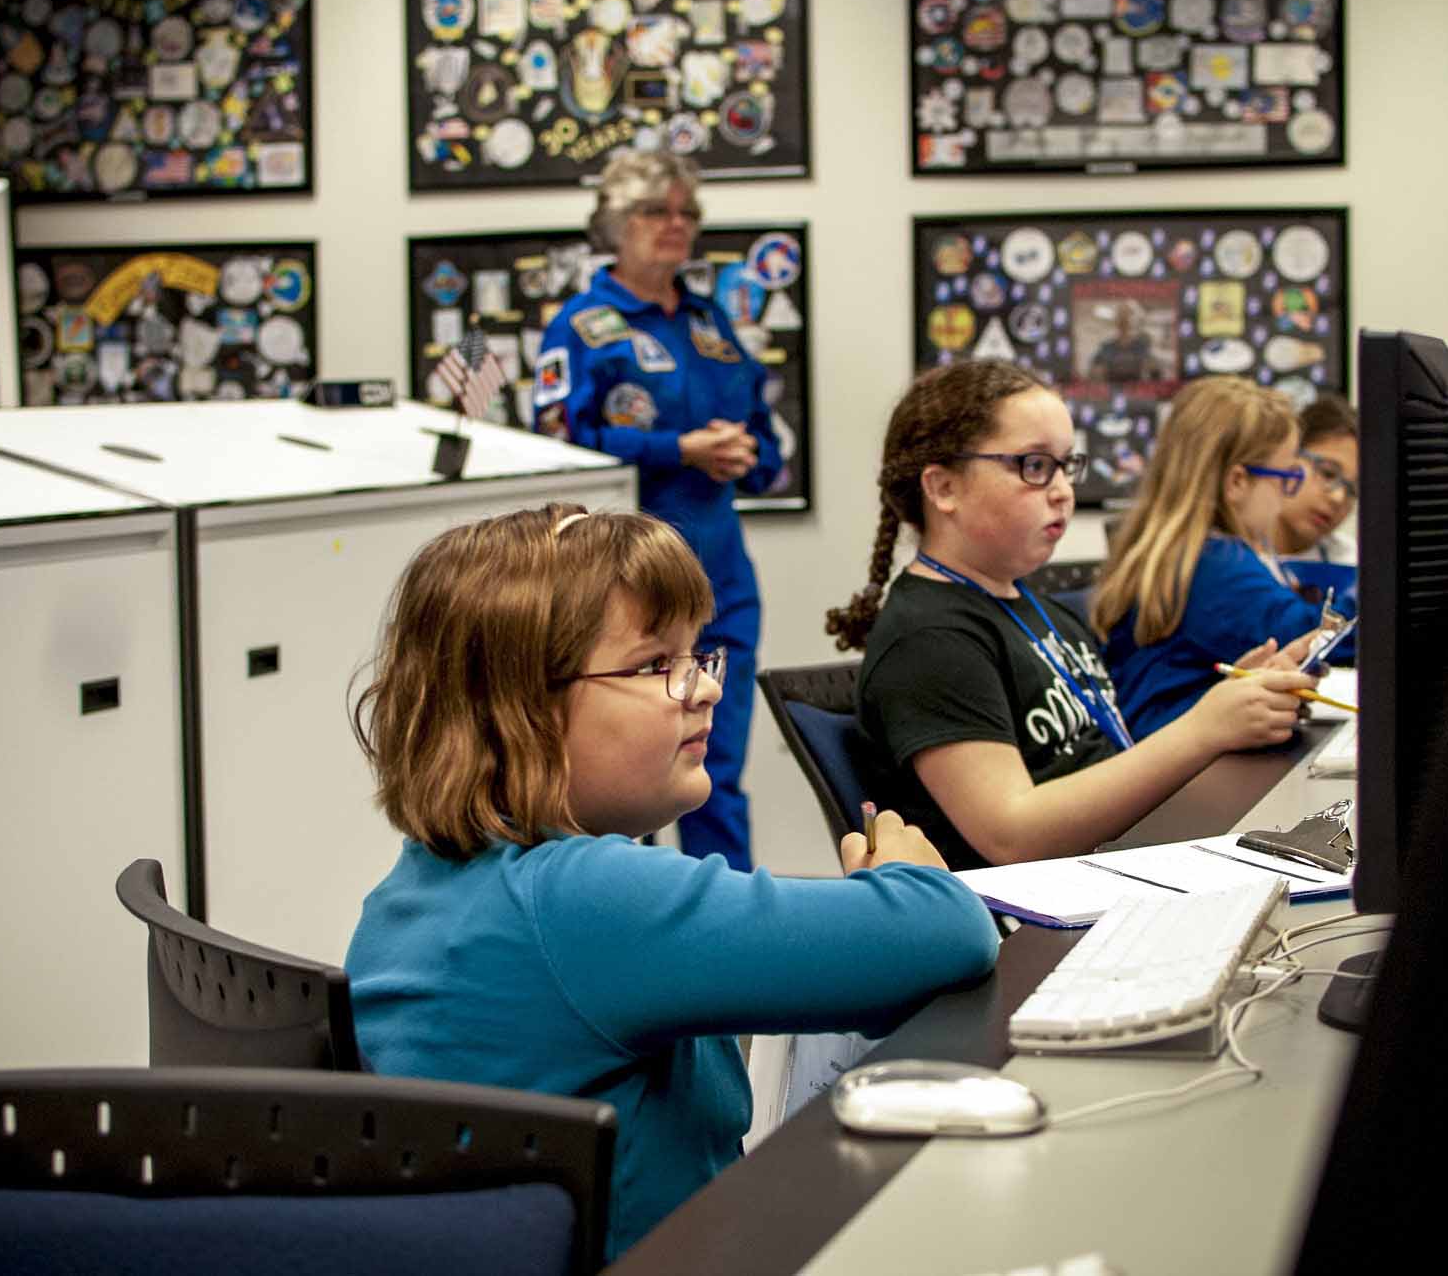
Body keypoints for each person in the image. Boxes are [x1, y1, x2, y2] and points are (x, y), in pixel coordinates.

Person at [346, 504, 998, 1262]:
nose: (705, 688)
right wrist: (903, 873)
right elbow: (951, 928)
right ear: (522, 707)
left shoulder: (416, 888)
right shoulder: (583, 900)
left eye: (696, 654)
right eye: (656, 663)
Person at [827, 363, 1314, 870]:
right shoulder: (929, 639)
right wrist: (1204, 728)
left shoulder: (1042, 611)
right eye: (1034, 466)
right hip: (1033, 921)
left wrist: (1239, 700)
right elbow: (1012, 834)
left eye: (1066, 466)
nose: (1062, 490)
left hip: (1112, 869)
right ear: (943, 487)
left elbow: (1109, 762)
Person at [532, 149, 780, 872]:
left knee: (715, 770)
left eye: (687, 212)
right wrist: (678, 448)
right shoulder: (579, 327)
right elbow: (557, 441)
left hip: (722, 583)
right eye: (655, 211)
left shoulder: (711, 324)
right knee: (616, 780)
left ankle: (730, 934)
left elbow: (763, 435)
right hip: (621, 591)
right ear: (617, 222)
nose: (675, 224)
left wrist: (745, 454)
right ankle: (623, 921)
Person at [1093, 377, 1332, 741]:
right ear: (1237, 482)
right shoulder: (1214, 565)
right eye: (1285, 478)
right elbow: (1306, 629)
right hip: (1168, 777)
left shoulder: (1187, 553)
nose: (1286, 496)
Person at [1274, 393, 1360, 562]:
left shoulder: (1353, 564)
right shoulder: (1224, 555)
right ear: (1285, 456)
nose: (1338, 497)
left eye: (1353, 490)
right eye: (1328, 473)